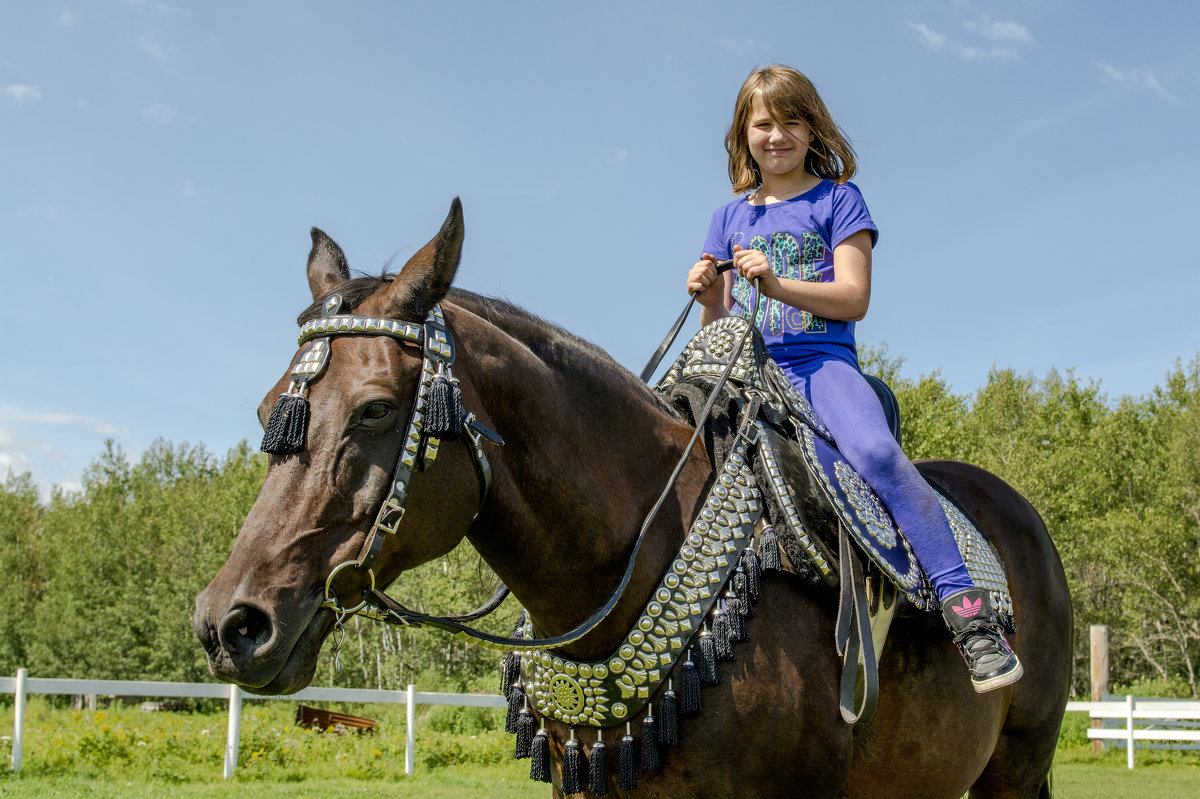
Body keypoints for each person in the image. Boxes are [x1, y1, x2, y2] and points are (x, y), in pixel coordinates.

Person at [686, 64, 1021, 693]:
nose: (777, 135)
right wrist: (708, 293)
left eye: (792, 121)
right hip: (743, 372)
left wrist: (777, 284)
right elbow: (716, 328)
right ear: (743, 132)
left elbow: (854, 296)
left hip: (819, 365)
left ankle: (968, 614)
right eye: (764, 123)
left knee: (874, 452)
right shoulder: (727, 217)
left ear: (813, 129)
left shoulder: (838, 200)